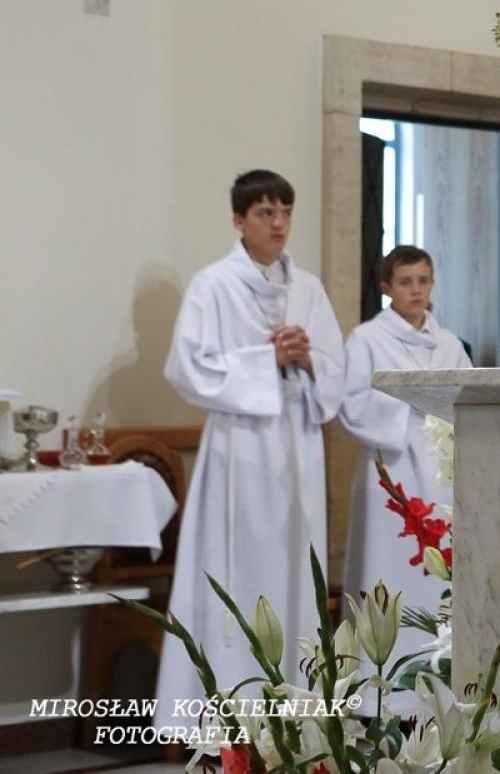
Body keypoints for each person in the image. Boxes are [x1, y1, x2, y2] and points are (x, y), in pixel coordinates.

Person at [156, 170, 345, 732]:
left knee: (297, 567)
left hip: (297, 444)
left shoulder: (308, 289)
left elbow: (336, 367)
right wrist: (267, 360)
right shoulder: (212, 285)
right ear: (239, 220)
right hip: (240, 444)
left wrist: (307, 359)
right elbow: (185, 368)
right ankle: (227, 716)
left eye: (285, 211)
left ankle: (296, 717)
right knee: (235, 568)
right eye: (265, 213)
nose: (279, 223)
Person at [340, 245, 471, 620]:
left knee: (439, 564)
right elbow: (350, 403)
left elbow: (470, 396)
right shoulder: (366, 339)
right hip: (392, 458)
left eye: (423, 281)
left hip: (441, 461)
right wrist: (407, 402)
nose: (416, 290)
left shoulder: (449, 343)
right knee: (388, 561)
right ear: (386, 288)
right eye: (405, 282)